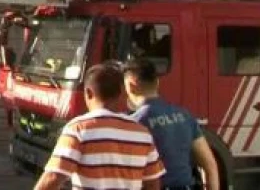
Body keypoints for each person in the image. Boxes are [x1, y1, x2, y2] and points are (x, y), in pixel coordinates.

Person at [35, 61, 165, 190]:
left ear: (88, 93)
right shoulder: (142, 133)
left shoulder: (78, 129)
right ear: (121, 93)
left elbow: (53, 177)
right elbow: (153, 183)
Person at [123, 58, 220, 190]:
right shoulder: (184, 115)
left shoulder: (134, 122)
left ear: (131, 85)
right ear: (157, 83)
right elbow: (210, 165)